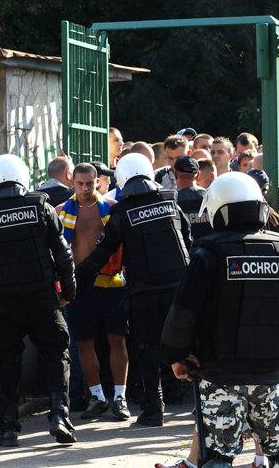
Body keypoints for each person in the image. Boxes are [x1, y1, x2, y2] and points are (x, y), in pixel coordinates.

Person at [161, 172, 279, 467]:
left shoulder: (207, 255)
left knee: (219, 455)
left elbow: (182, 314)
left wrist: (176, 356)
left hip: (220, 374)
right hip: (274, 374)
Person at [0, 154, 77, 447]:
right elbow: (63, 255)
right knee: (55, 354)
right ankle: (59, 416)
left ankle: (9, 428)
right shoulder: (42, 208)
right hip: (42, 299)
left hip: (6, 302)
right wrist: (68, 293)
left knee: (7, 362)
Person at [75, 153, 192, 426]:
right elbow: (187, 239)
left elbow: (103, 252)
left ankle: (154, 409)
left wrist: (74, 278)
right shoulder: (170, 201)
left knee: (147, 348)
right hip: (180, 288)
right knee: (190, 345)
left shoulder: (122, 211)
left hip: (145, 292)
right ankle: (203, 406)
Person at [56, 163, 131, 422]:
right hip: (79, 285)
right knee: (84, 342)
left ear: (98, 181)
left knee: (117, 340)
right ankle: (98, 396)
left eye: (90, 183)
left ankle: (120, 397)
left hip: (111, 283)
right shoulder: (61, 211)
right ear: (72, 183)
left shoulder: (111, 208)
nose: (86, 188)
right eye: (80, 184)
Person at [174, 156, 212, 242]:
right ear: (198, 175)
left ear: (175, 174)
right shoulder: (210, 196)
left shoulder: (172, 201)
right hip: (209, 251)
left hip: (186, 253)